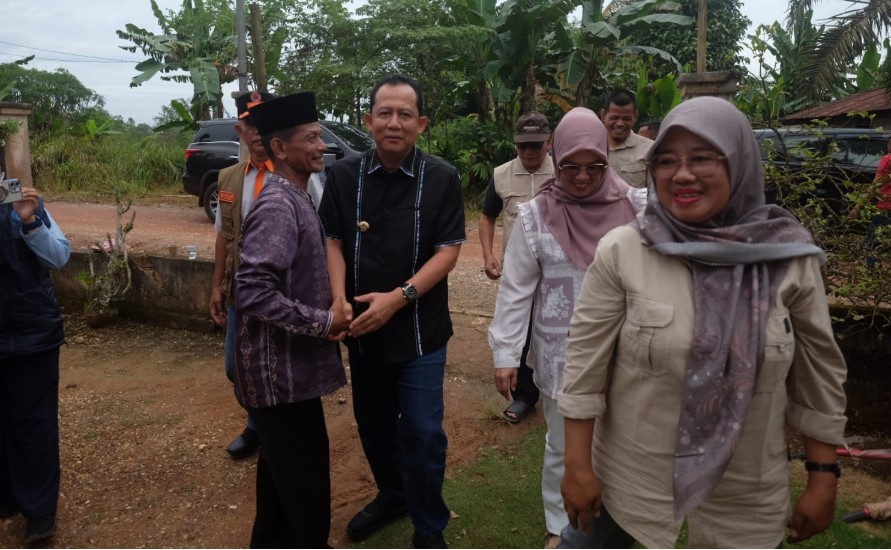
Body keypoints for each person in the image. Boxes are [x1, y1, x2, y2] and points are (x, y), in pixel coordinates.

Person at [559, 97, 848, 548]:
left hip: (744, 496)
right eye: (667, 160)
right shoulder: (625, 250)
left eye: (702, 158)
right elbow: (583, 367)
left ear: (739, 162)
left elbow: (819, 377)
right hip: (631, 489)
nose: (683, 174)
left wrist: (823, 475)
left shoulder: (789, 260)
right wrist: (577, 468)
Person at [488, 107, 646, 549]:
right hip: (563, 354)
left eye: (593, 166)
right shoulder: (536, 215)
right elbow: (517, 288)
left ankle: (620, 523)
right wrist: (505, 354)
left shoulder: (637, 207)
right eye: (570, 166)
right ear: (556, 158)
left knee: (625, 445)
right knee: (562, 445)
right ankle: (562, 529)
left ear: (606, 159)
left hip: (625, 352)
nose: (580, 177)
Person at [319, 74, 465, 549]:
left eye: (405, 114)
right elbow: (334, 240)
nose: (394, 122)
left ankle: (429, 528)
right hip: (363, 328)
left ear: (421, 123)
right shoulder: (343, 177)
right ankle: (392, 494)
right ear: (369, 120)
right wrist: (339, 298)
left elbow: (447, 251)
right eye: (385, 113)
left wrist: (399, 297)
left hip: (421, 331)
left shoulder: (442, 177)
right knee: (375, 425)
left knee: (423, 434)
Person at [232, 92, 351, 548]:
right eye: (312, 137)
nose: (322, 145)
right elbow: (252, 290)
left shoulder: (294, 196)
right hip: (278, 381)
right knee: (305, 494)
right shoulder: (279, 205)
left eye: (320, 135)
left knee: (280, 489)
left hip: (289, 379)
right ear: (280, 149)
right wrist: (322, 322)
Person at [0, 185, 71, 544]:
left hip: (33, 337)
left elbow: (58, 257)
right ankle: (8, 497)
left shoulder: (25, 207)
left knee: (35, 426)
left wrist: (30, 221)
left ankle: (40, 511)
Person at [209, 90, 275, 460]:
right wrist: (217, 285)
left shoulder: (297, 174)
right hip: (239, 293)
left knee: (277, 366)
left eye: (265, 122)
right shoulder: (229, 178)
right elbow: (223, 235)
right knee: (236, 367)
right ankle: (258, 423)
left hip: (283, 293)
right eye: (251, 123)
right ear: (240, 129)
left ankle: (267, 429)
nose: (258, 131)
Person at [479, 112, 554, 424]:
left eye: (537, 145)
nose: (530, 152)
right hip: (518, 268)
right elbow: (486, 216)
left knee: (553, 328)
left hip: (555, 269)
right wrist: (487, 255)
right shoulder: (501, 175)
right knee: (518, 326)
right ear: (515, 145)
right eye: (523, 146)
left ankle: (556, 388)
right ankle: (525, 396)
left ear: (549, 142)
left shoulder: (564, 171)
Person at [599, 89, 653, 188]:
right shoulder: (591, 146)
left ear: (635, 116)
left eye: (626, 119)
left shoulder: (650, 150)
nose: (620, 124)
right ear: (603, 115)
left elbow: (654, 195)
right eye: (614, 118)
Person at [865, 135, 891, 268]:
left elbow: (875, 184)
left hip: (886, 207)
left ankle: (872, 270)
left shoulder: (887, 160)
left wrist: (857, 207)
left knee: (873, 240)